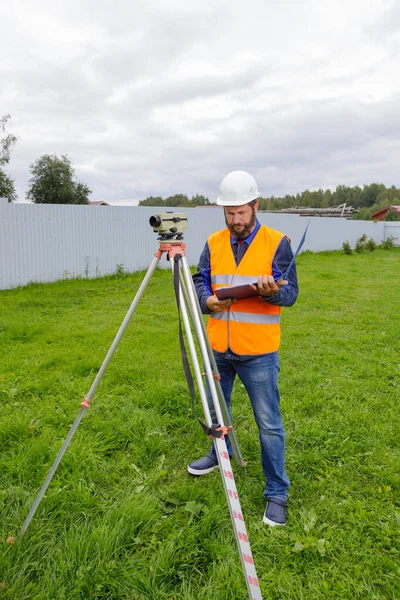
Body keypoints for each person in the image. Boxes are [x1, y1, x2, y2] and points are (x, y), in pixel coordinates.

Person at [187, 170, 299, 527]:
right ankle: (218, 454)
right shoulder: (214, 243)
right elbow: (199, 286)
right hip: (218, 347)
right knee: (216, 413)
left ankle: (277, 492)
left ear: (255, 206)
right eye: (229, 213)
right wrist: (207, 301)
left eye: (241, 212)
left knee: (269, 424)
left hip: (259, 353)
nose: (235, 220)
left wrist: (272, 292)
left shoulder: (277, 242)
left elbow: (291, 294)